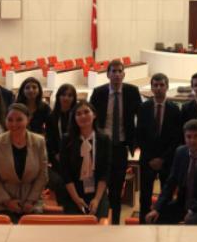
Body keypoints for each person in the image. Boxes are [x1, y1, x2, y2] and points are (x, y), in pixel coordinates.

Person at [89, 59, 141, 224]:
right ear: (108, 74)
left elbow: (141, 116)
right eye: (114, 71)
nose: (117, 74)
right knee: (98, 186)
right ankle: (97, 220)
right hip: (101, 147)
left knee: (117, 190)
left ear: (124, 75)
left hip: (120, 147)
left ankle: (116, 224)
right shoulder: (99, 93)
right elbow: (91, 118)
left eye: (120, 71)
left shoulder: (132, 92)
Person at [145, 119, 197, 225]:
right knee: (155, 218)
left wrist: (192, 210)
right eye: (188, 137)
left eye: (196, 136)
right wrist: (157, 209)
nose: (192, 140)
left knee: (191, 221)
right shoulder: (180, 152)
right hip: (182, 203)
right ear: (184, 138)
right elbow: (170, 183)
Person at [0, 103, 48, 221]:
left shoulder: (39, 141)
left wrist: (30, 200)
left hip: (31, 202)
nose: (14, 124)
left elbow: (42, 175)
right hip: (0, 204)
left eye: (19, 119)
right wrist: (7, 201)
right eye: (10, 120)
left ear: (28, 120)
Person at [136, 73, 182, 223]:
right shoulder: (143, 108)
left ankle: (163, 224)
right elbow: (140, 135)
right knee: (144, 196)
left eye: (161, 85)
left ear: (167, 87)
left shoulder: (175, 110)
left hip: (166, 161)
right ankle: (143, 224)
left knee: (166, 195)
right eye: (155, 85)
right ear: (151, 87)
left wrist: (162, 159)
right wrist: (150, 158)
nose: (158, 88)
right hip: (147, 160)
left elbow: (177, 139)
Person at [59, 101, 111, 219]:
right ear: (74, 118)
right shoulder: (67, 140)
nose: (83, 116)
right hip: (74, 193)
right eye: (78, 114)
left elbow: (105, 172)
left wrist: (97, 199)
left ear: (94, 115)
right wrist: (76, 199)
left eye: (86, 112)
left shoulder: (104, 139)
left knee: (98, 226)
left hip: (97, 192)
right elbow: (65, 173)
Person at [45, 83, 77, 206]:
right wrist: (56, 155)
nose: (66, 98)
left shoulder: (77, 115)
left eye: (70, 95)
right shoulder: (52, 117)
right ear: (58, 97)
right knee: (62, 189)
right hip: (58, 160)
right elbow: (50, 140)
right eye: (63, 95)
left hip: (75, 158)